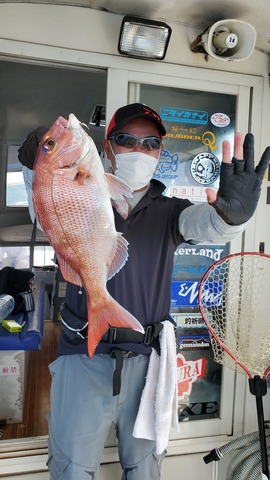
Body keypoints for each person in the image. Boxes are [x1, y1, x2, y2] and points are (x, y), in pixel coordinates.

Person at [18, 103, 270, 480]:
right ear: (107, 146)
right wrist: (33, 163)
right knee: (70, 470)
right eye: (125, 140)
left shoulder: (171, 211)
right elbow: (47, 208)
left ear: (160, 153)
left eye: (150, 143)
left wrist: (231, 217)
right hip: (82, 356)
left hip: (149, 363)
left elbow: (208, 226)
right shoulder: (82, 187)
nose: (139, 150)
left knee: (144, 470)